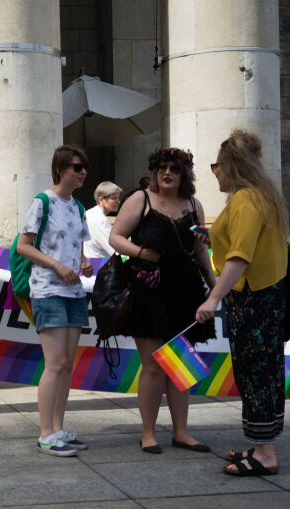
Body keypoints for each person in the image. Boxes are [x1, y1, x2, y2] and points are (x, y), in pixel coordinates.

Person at [195, 129, 289, 477]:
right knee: (262, 372)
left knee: (256, 373)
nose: (213, 172)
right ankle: (263, 445)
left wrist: (212, 297)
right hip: (264, 297)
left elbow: (240, 257)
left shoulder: (246, 200)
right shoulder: (259, 196)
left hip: (253, 299)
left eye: (215, 166)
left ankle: (266, 454)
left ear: (229, 165)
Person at [109, 148, 215, 454]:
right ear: (154, 171)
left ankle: (181, 432)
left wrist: (214, 288)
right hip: (149, 291)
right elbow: (115, 236)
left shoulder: (194, 204)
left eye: (174, 169)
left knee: (180, 364)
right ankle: (148, 433)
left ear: (184, 175)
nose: (166, 173)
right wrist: (142, 254)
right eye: (161, 168)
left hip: (186, 291)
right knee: (153, 366)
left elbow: (200, 252)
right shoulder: (140, 199)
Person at [16, 145, 93, 457]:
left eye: (84, 166)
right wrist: (57, 265)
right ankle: (46, 433)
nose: (82, 171)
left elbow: (77, 245)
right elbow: (24, 245)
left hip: (74, 291)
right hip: (48, 290)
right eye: (76, 167)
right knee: (56, 363)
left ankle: (58, 429)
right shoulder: (43, 201)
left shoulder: (77, 206)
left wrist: (82, 262)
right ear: (60, 169)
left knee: (67, 364)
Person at [83, 181, 122, 259]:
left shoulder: (88, 213)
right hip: (99, 265)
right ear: (101, 199)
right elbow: (114, 250)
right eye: (114, 198)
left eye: (118, 197)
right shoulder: (101, 220)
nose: (118, 201)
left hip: (86, 262)